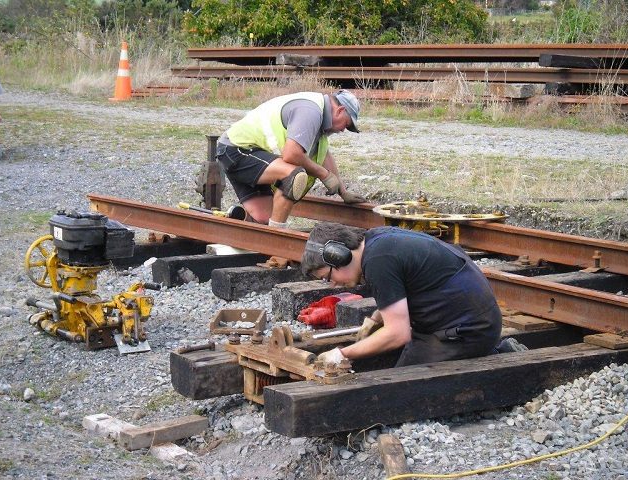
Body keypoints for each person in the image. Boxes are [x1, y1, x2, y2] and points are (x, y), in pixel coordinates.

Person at [301, 222, 526, 367]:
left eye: (327, 277)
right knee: (384, 357)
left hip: (467, 330)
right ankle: (493, 352)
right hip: (465, 319)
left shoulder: (378, 262)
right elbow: (403, 287)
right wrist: (375, 320)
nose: (332, 285)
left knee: (401, 383)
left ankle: (499, 358)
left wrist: (342, 353)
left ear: (339, 256)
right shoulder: (376, 241)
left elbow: (398, 334)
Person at [216, 90, 368, 229]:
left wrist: (343, 191)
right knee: (294, 175)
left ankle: (240, 223)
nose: (342, 130)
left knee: (264, 218)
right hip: (237, 150)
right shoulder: (311, 111)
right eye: (346, 124)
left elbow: (324, 155)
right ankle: (276, 239)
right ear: (340, 110)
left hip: (253, 154)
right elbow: (292, 154)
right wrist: (324, 174)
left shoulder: (320, 123)